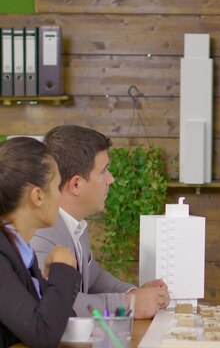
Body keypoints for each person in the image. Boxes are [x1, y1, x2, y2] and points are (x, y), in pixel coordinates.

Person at [31, 125, 170, 319]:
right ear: (76, 184)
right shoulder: (38, 232)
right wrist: (129, 306)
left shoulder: (75, 225)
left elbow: (94, 280)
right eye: (103, 171)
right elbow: (54, 301)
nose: (111, 179)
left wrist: (133, 294)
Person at [0, 137, 82, 348]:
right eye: (56, 187)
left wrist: (50, 280)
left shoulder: (19, 251)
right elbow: (43, 334)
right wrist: (63, 267)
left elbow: (59, 321)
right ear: (37, 196)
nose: (59, 197)